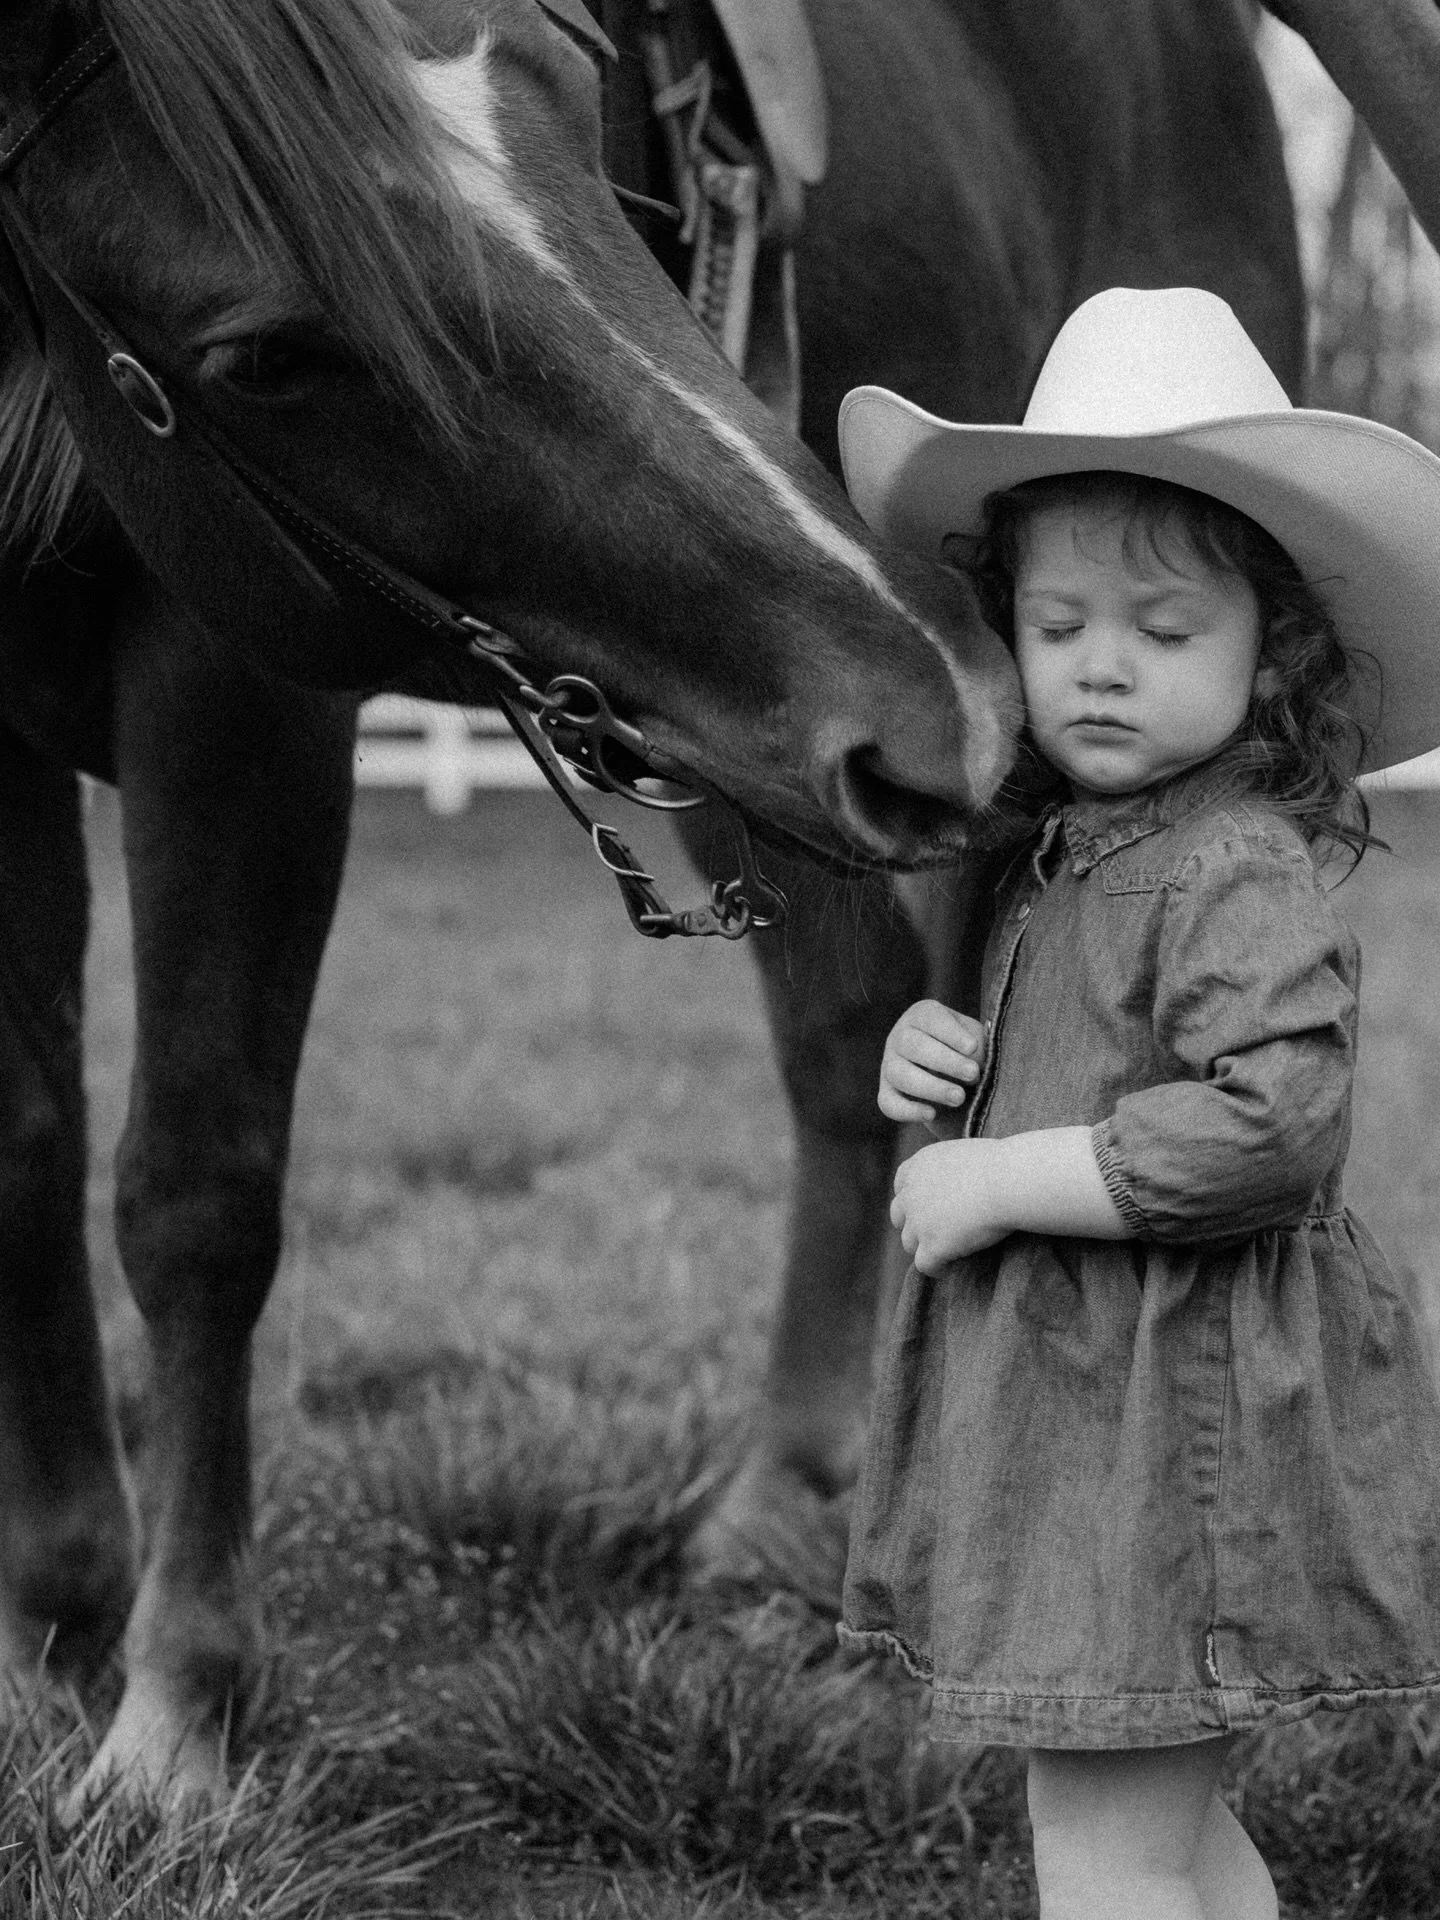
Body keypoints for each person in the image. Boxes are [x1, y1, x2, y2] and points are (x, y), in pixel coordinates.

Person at [833, 287, 1440, 1920]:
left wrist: (1010, 1174)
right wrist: (936, 1069)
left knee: (1104, 1856)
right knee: (1154, 1842)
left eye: (1165, 635)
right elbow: (1062, 1064)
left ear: (1274, 651)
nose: (1103, 670)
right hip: (1091, 1417)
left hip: (1173, 1432)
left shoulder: (1231, 860)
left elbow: (1277, 1117)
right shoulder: (1064, 856)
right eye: (1059, 627)